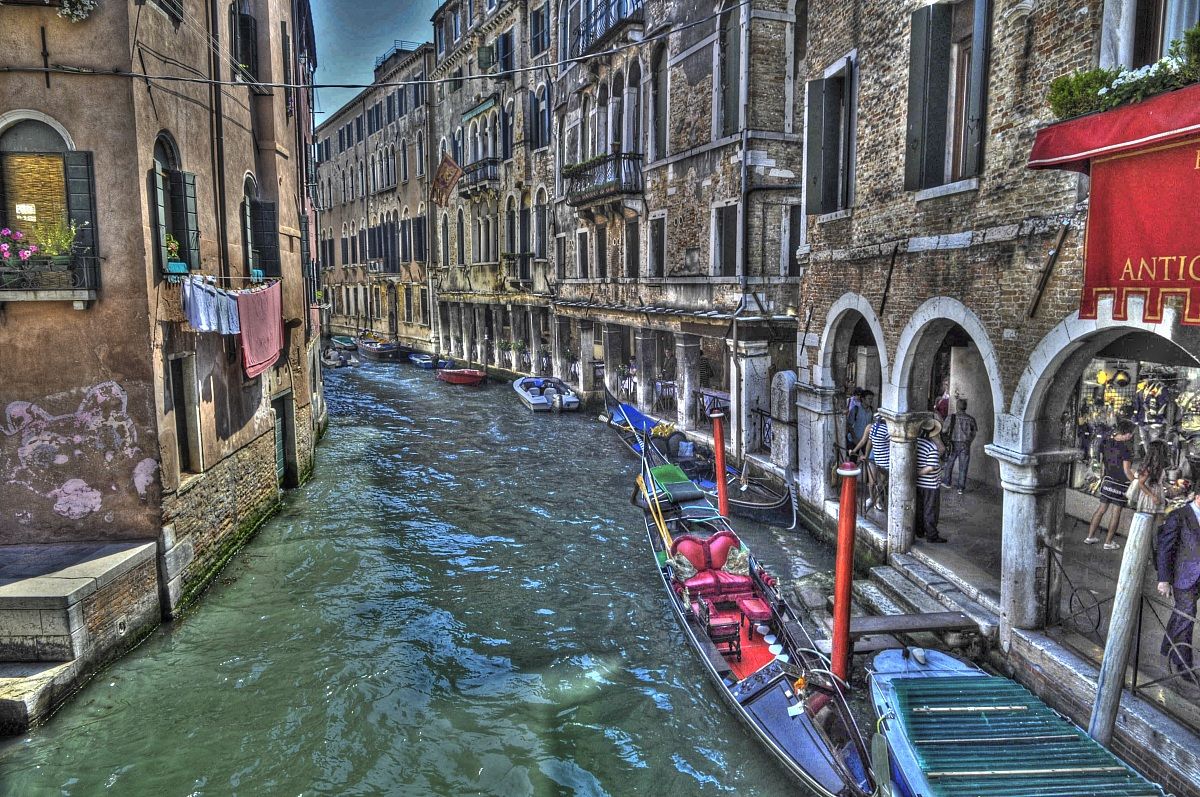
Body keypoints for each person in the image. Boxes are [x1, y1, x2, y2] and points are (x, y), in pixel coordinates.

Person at [1156, 489, 1200, 682]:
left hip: (1197, 577)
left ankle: (1168, 647)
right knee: (1187, 615)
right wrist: (1163, 580)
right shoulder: (1179, 516)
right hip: (1184, 576)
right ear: (1198, 497)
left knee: (1182, 613)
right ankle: (1184, 664)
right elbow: (1165, 549)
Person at [1085, 419, 1137, 549]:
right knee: (1116, 513)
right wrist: (1136, 483)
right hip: (1120, 484)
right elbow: (1126, 470)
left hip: (1107, 480)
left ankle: (1090, 537)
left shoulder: (1106, 441)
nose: (1131, 436)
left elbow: (1102, 461)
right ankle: (1108, 542)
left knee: (1101, 509)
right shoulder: (1126, 448)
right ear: (1126, 433)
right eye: (1131, 434)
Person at [916, 418, 947, 543]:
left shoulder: (917, 442)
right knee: (930, 510)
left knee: (920, 509)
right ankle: (932, 535)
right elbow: (931, 466)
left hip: (919, 484)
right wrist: (918, 474)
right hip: (930, 485)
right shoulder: (932, 447)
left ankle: (919, 531)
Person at [853, 411, 890, 510]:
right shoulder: (877, 429)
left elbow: (868, 442)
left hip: (878, 457)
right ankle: (874, 501)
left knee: (877, 482)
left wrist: (865, 454)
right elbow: (866, 441)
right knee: (876, 482)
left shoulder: (874, 429)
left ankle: (876, 501)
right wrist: (865, 455)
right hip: (878, 458)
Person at [942, 398, 977, 494]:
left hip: (953, 443)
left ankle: (947, 482)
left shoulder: (951, 417)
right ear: (965, 407)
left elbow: (944, 430)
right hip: (965, 444)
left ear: (957, 406)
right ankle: (960, 488)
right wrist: (969, 441)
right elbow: (974, 432)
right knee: (963, 466)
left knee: (949, 463)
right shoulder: (971, 419)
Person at [846, 388, 873, 458]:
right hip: (854, 440)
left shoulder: (871, 411)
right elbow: (849, 425)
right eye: (869, 399)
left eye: (871, 399)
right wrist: (854, 438)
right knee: (853, 460)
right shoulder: (855, 409)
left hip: (865, 440)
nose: (871, 400)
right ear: (863, 399)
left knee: (868, 459)